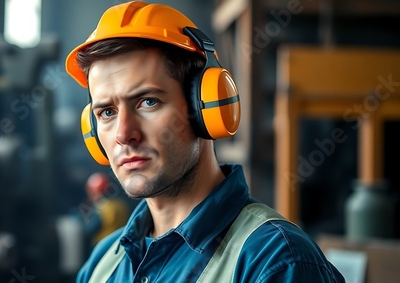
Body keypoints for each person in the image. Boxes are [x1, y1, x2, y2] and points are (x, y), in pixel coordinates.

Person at [65, 1, 345, 282]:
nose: (124, 134)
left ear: (206, 106)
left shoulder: (276, 262)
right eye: (107, 112)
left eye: (147, 102)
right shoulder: (102, 264)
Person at [83, 172, 130, 246]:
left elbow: (88, 230)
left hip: (102, 247)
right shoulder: (121, 204)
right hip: (121, 244)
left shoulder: (101, 209)